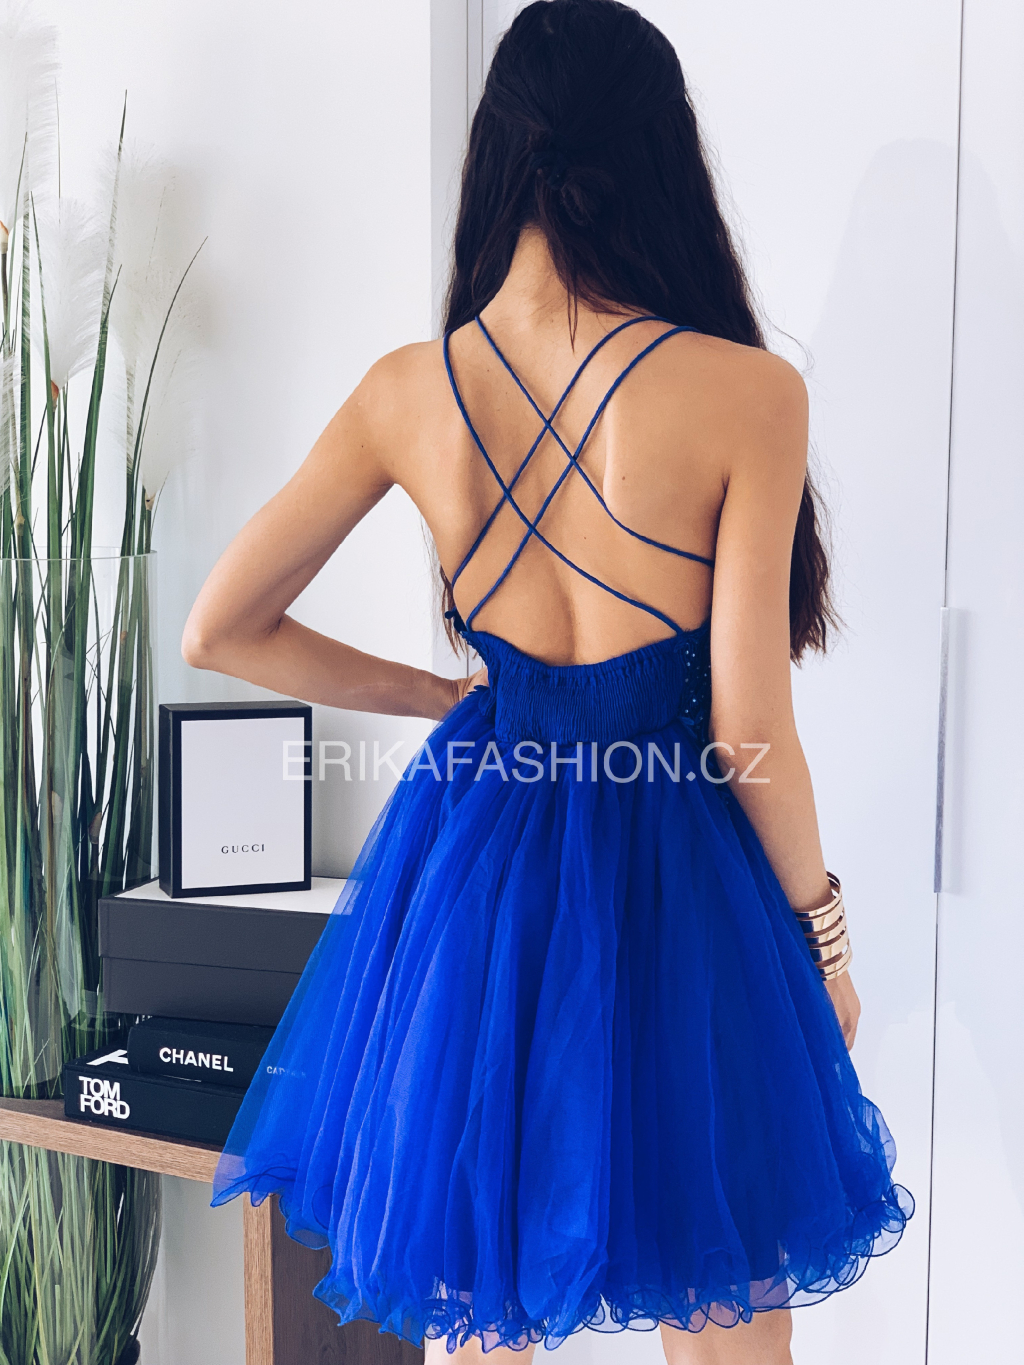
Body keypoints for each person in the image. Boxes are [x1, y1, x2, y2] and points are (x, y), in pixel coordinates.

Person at [184, 2, 912, 1360]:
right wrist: (823, 942)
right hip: (686, 879)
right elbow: (750, 724)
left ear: (499, 153)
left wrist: (444, 701)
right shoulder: (748, 393)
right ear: (657, 156)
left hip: (485, 862)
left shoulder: (409, 389)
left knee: (481, 1285)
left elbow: (221, 627)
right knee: (724, 1275)